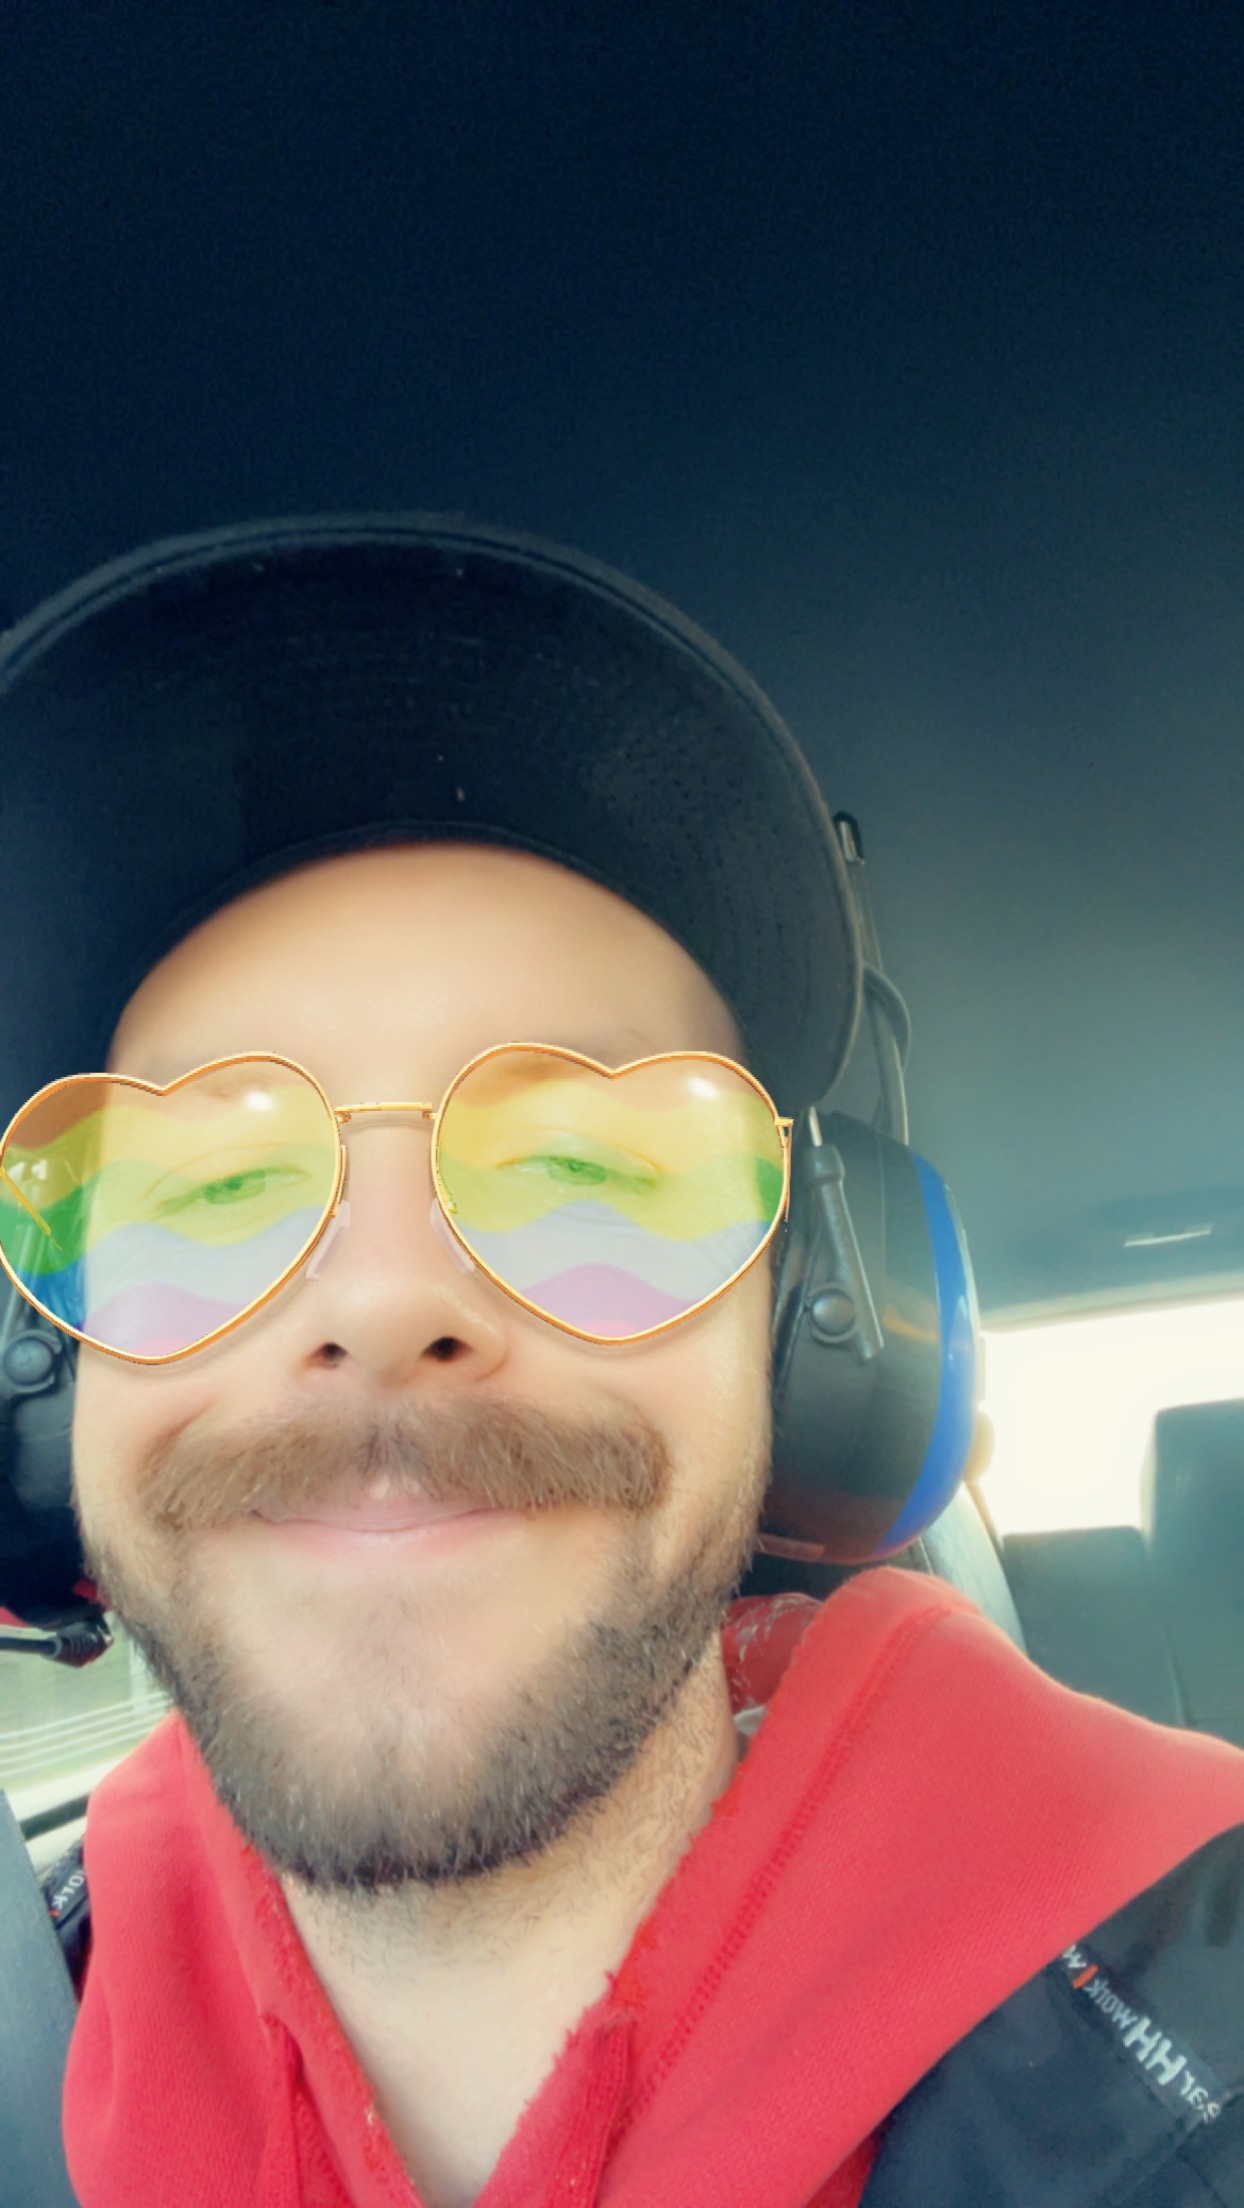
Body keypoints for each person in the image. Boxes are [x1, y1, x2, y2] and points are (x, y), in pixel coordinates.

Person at [2, 518, 1244, 2208]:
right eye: (209, 1188)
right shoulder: (35, 1996)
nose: (384, 1296)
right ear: (49, 1372)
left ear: (805, 1324)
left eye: (587, 1169)